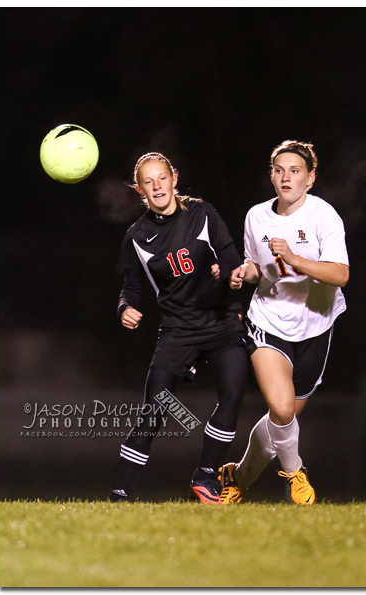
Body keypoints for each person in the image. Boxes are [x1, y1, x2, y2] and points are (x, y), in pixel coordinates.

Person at [109, 152, 249, 504]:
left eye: (162, 177)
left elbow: (231, 257)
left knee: (232, 394)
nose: (157, 186)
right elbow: (132, 287)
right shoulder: (137, 236)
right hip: (177, 330)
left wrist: (230, 275)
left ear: (174, 178)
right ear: (139, 189)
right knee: (154, 411)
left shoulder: (202, 213)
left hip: (220, 322)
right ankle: (119, 493)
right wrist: (126, 307)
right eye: (148, 181)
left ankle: (205, 478)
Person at [219, 140, 349, 505]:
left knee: (283, 418)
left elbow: (340, 274)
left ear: (310, 178)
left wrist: (293, 258)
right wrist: (243, 273)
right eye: (279, 170)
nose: (286, 177)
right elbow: (258, 268)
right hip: (268, 321)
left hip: (316, 327)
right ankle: (296, 473)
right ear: (271, 176)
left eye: (295, 170)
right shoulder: (256, 216)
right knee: (281, 408)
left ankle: (238, 476)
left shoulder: (323, 216)